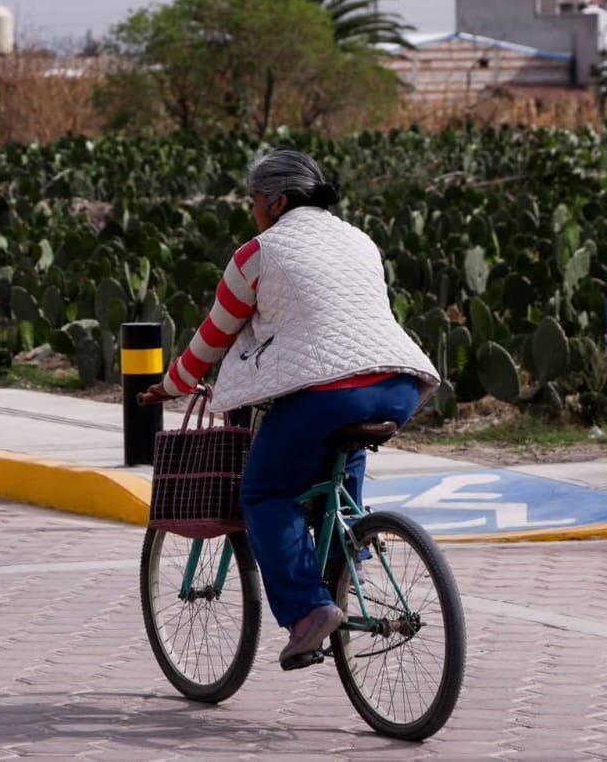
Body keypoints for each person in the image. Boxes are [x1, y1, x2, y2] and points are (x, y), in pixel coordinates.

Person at [140, 149, 439, 670]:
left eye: (254, 199)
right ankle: (352, 555)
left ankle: (307, 614)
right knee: (339, 459)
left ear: (276, 202)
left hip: (329, 391)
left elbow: (213, 337)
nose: (252, 210)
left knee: (264, 492)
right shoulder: (360, 239)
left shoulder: (258, 253)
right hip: (399, 384)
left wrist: (171, 385)